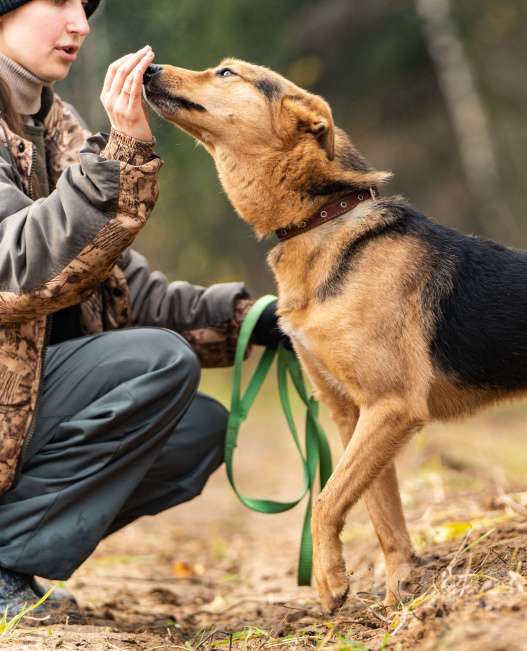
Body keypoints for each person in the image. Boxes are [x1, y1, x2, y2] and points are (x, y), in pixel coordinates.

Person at [0, 0, 288, 614]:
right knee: (159, 363)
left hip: (19, 408)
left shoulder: (56, 129)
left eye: (85, 6)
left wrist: (257, 319)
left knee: (196, 431)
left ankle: (7, 564)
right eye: (56, 1)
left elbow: (127, 292)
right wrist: (119, 159)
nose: (79, 23)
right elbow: (16, 270)